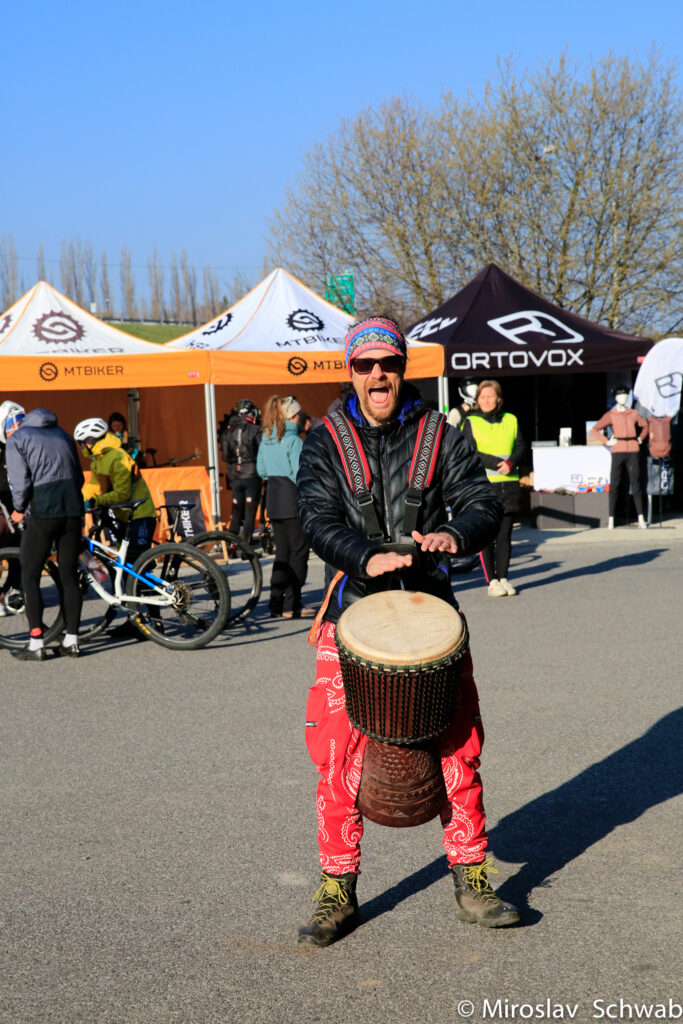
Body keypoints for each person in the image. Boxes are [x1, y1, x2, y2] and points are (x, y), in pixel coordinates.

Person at [296, 317, 519, 947]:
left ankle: (472, 879)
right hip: (352, 615)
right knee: (338, 757)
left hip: (432, 616)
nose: (377, 374)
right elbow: (314, 516)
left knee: (458, 749)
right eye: (365, 365)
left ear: (402, 369)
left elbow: (482, 502)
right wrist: (363, 556)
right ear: (351, 372)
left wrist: (454, 533)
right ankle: (337, 889)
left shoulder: (440, 433)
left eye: (388, 364)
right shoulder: (324, 440)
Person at [2, 404, 84, 660]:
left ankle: (36, 643)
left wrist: (18, 509)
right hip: (73, 509)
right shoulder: (63, 433)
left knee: (30, 575)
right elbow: (80, 477)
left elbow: (20, 482)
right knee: (69, 575)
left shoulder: (17, 439)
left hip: (44, 509)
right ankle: (72, 642)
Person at [74, 417, 157, 637]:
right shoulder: (99, 459)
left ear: (90, 441)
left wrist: (94, 502)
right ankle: (134, 620)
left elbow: (122, 493)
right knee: (126, 569)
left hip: (141, 515)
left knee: (138, 568)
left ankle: (156, 623)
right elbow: (94, 486)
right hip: (125, 517)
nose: (80, 447)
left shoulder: (117, 456)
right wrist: (77, 500)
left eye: (81, 443)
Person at [461, 380, 525, 597]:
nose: (486, 400)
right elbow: (469, 452)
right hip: (484, 486)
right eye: (482, 397)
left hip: (509, 484)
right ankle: (492, 581)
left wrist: (511, 463)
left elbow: (521, 446)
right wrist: (497, 463)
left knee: (505, 535)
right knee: (486, 536)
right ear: (477, 400)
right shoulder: (471, 421)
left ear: (499, 399)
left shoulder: (511, 419)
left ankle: (504, 577)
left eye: (490, 396)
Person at [257, 395, 313, 619]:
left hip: (274, 499)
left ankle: (275, 604)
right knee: (299, 553)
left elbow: (262, 471)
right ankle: (292, 604)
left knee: (282, 553)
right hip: (292, 500)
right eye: (298, 414)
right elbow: (300, 473)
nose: (300, 418)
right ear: (291, 417)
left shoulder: (266, 438)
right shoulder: (293, 441)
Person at [590, 387, 648, 529]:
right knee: (615, 484)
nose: (623, 398)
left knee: (636, 484)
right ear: (615, 398)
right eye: (620, 395)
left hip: (632, 450)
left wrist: (640, 438)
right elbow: (595, 429)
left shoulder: (633, 413)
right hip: (618, 450)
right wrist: (607, 441)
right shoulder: (611, 414)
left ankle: (641, 517)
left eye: (625, 396)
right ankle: (611, 518)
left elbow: (645, 426)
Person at [221, 399, 262, 547]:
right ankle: (246, 547)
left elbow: (225, 456)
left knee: (236, 512)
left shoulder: (229, 431)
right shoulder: (255, 429)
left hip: (236, 477)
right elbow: (261, 452)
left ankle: (230, 546)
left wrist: (237, 462)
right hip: (252, 475)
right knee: (250, 514)